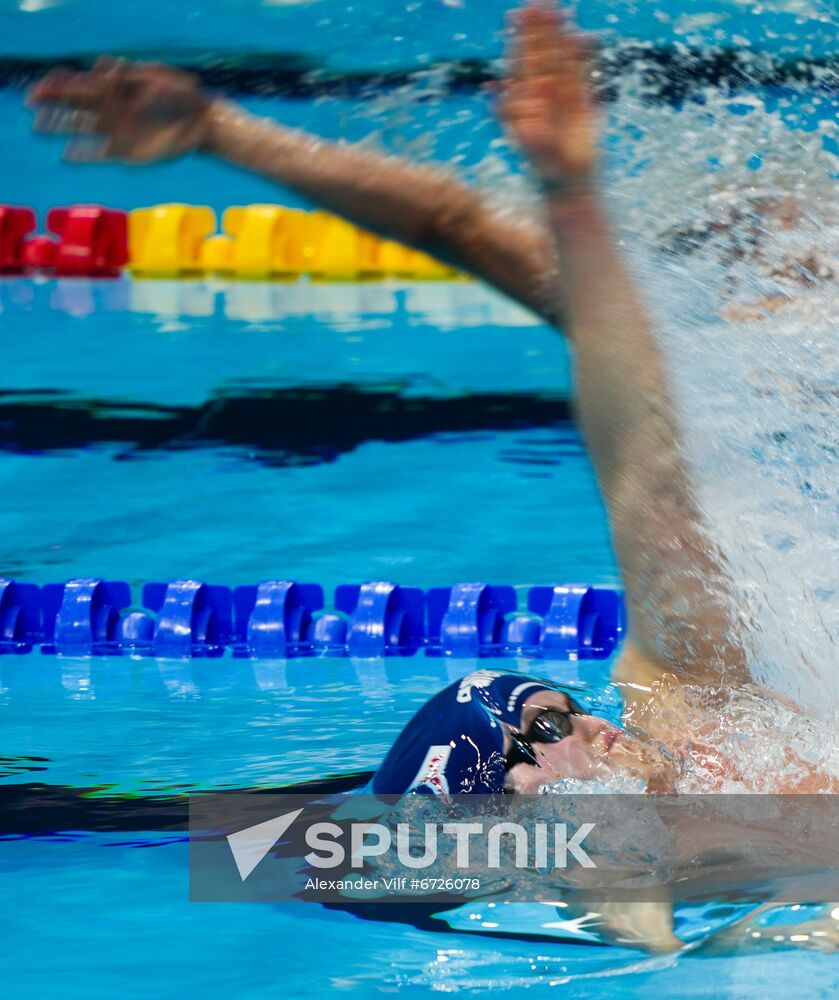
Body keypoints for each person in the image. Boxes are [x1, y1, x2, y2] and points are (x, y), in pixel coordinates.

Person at [27, 3, 836, 795]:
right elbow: (461, 224)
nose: (808, 277)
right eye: (787, 263)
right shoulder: (692, 392)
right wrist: (217, 129)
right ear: (721, 303)